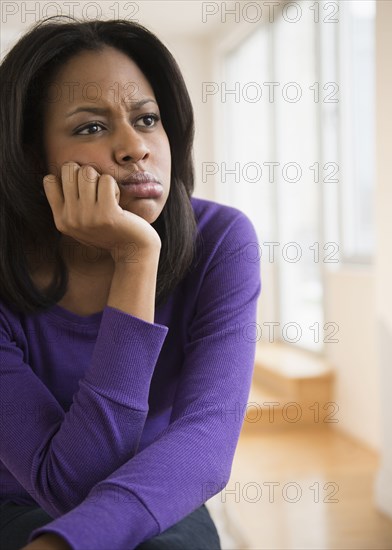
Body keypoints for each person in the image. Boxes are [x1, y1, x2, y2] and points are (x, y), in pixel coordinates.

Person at [0, 16, 261, 550]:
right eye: (91, 127)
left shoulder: (222, 240)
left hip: (156, 489)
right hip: (14, 502)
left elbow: (205, 446)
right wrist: (134, 259)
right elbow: (66, 486)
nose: (135, 147)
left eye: (147, 119)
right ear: (31, 158)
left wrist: (135, 256)